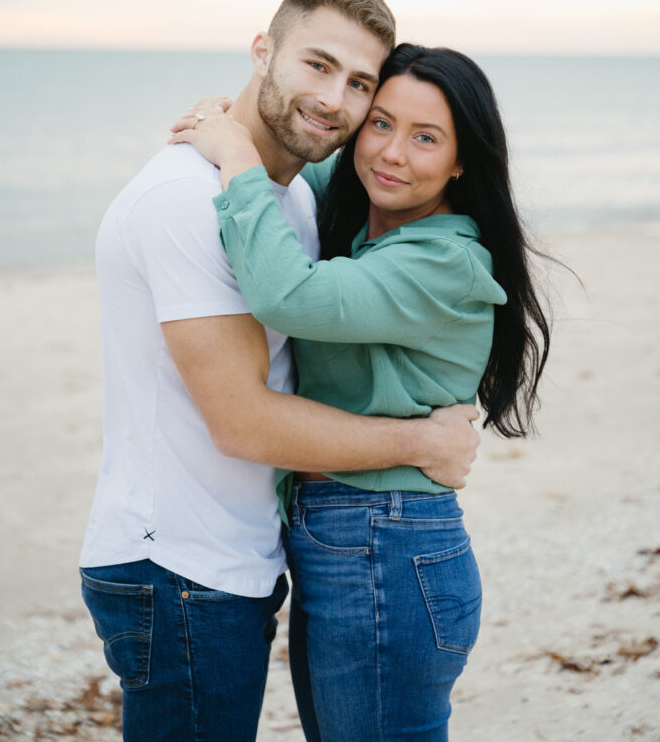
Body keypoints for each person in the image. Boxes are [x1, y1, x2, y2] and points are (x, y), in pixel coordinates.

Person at [79, 0, 481, 742]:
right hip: (178, 569)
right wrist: (421, 442)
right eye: (316, 65)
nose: (334, 99)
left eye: (360, 83)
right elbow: (242, 420)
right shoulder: (186, 202)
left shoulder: (283, 195)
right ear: (263, 51)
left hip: (237, 560)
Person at [169, 43, 550, 741]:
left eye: (425, 138)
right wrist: (232, 121)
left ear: (462, 162)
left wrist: (237, 160)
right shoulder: (367, 225)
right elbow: (297, 161)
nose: (391, 153)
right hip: (346, 536)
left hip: (387, 539)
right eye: (379, 123)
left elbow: (288, 293)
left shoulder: (444, 258)